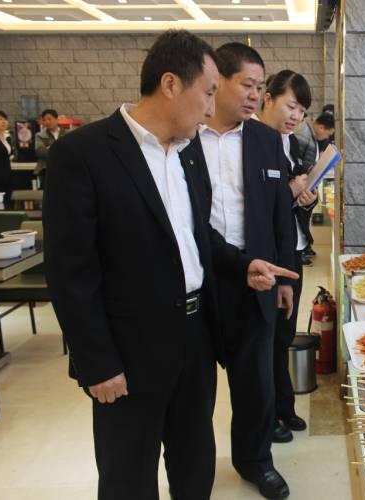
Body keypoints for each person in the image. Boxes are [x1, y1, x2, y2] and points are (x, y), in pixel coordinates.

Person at [43, 30, 296, 500]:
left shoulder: (185, 156)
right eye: (208, 92)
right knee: (129, 475)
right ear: (170, 84)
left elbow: (198, 237)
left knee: (194, 463)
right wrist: (98, 363)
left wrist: (242, 266)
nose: (211, 106)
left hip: (194, 337)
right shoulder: (84, 154)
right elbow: (71, 273)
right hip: (130, 349)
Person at [193, 43, 296, 500]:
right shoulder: (185, 137)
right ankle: (192, 468)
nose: (256, 95)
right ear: (218, 81)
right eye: (247, 85)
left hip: (257, 276)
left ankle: (256, 461)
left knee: (256, 381)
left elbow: (279, 216)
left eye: (260, 87)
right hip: (199, 277)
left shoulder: (264, 140)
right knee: (195, 385)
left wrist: (286, 278)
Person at [257, 69, 319, 443]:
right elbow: (256, 205)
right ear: (268, 98)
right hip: (266, 256)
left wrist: (305, 197)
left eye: (302, 111)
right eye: (291, 106)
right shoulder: (253, 142)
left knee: (283, 336)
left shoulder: (291, 144)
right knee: (265, 343)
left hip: (291, 250)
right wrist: (290, 190)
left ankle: (284, 406)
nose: (296, 116)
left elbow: (290, 204)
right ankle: (268, 416)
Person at [35, 108, 65, 189]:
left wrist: (50, 147)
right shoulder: (40, 135)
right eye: (44, 120)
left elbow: (70, 151)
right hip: (46, 170)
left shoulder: (66, 134)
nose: (47, 122)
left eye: (49, 119)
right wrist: (60, 150)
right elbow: (40, 152)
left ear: (56, 119)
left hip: (64, 169)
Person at [0, 110, 13, 198]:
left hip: (7, 176)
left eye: (5, 119)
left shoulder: (7, 136)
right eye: (0, 119)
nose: (4, 121)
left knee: (7, 201)